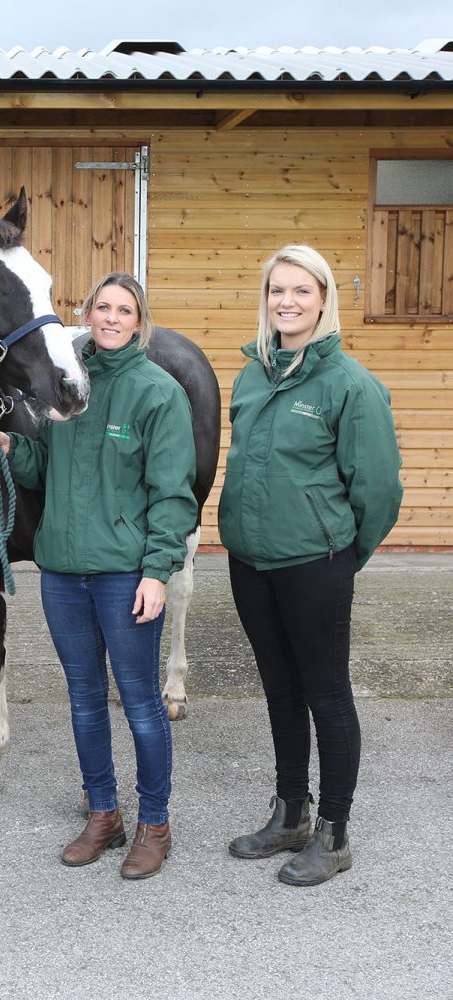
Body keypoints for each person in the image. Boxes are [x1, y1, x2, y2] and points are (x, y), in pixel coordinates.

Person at [0, 272, 197, 879]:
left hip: (125, 576)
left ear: (139, 320)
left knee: (141, 704)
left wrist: (157, 573)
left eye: (124, 309)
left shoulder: (158, 393)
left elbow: (174, 497)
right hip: (63, 573)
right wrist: (10, 448)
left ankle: (155, 822)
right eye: (102, 307)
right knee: (83, 701)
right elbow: (46, 466)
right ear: (88, 314)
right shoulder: (67, 384)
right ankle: (104, 813)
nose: (111, 318)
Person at [218, 245, 402, 887]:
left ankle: (335, 832)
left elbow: (377, 490)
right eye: (277, 291)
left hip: (314, 565)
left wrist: (343, 554)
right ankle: (290, 813)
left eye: (301, 290)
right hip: (251, 562)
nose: (287, 302)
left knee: (326, 694)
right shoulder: (252, 374)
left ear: (324, 299)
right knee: (281, 691)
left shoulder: (349, 385)